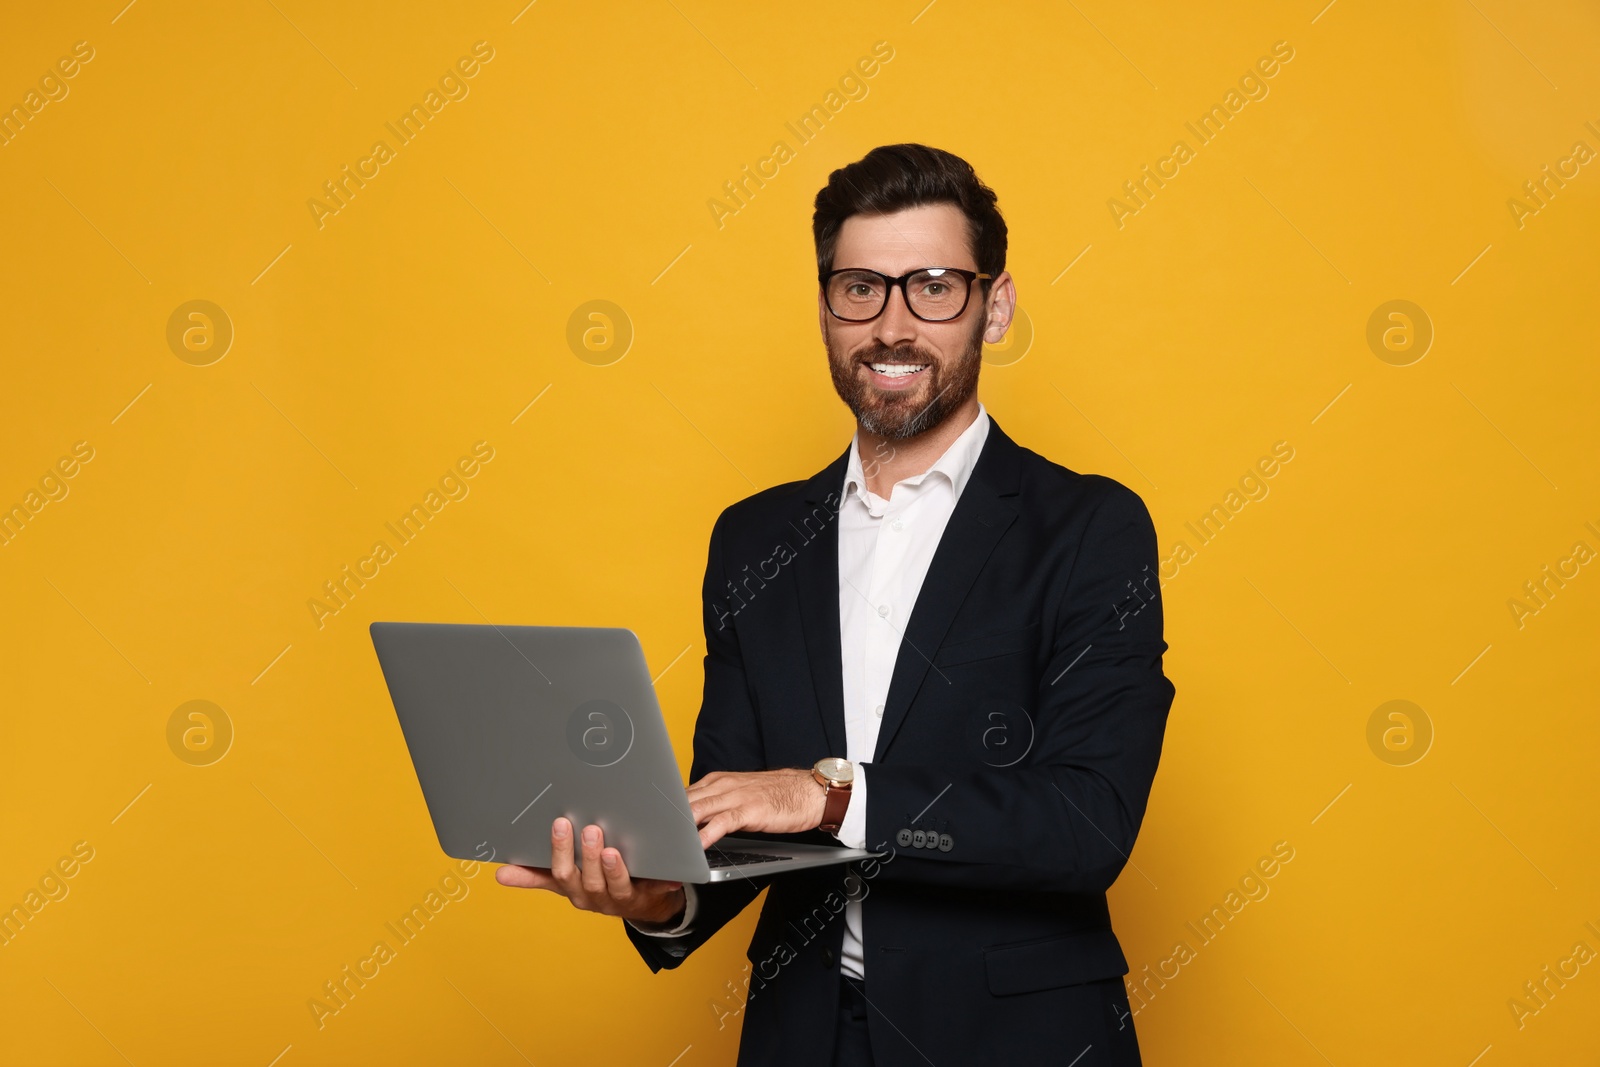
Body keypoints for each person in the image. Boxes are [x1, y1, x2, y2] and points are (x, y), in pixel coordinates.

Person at [495, 143, 1175, 1066]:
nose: (892, 325)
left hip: (1015, 1039)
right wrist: (660, 895)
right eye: (861, 287)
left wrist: (828, 794)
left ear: (995, 306)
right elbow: (736, 806)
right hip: (804, 1037)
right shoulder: (752, 539)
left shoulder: (1091, 529)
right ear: (824, 305)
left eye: (933, 285)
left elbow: (1085, 821)